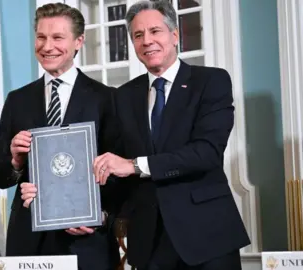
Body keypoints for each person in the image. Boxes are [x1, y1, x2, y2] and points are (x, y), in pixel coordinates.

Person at [92, 1, 251, 270]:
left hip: (207, 237)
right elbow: (113, 166)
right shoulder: (123, 96)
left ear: (174, 35)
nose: (147, 41)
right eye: (138, 35)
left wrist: (134, 165)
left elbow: (207, 153)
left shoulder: (210, 81)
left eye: (155, 31)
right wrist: (93, 212)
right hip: (149, 241)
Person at [0, 3, 120, 270]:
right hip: (29, 241)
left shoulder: (107, 98)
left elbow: (119, 174)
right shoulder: (17, 100)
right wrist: (15, 161)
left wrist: (100, 216)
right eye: (41, 37)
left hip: (87, 242)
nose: (47, 46)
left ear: (78, 41)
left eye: (58, 37)